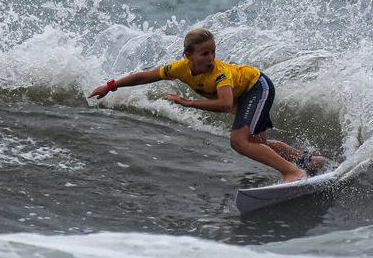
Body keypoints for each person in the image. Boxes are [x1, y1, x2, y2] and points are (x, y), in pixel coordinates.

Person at [89, 28, 325, 183]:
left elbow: (224, 104)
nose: (210, 58)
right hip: (246, 94)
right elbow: (145, 76)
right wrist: (110, 86)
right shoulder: (179, 68)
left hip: (257, 86)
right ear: (188, 55)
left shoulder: (220, 74)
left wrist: (188, 103)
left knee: (239, 142)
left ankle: (292, 172)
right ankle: (309, 162)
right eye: (204, 53)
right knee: (257, 143)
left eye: (212, 52)